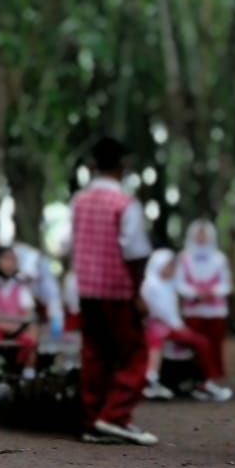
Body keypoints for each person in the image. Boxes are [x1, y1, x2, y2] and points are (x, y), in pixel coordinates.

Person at [70, 136, 156, 446]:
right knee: (133, 354)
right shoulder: (125, 203)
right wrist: (137, 290)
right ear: (123, 167)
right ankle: (115, 416)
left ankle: (93, 419)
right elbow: (135, 251)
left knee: (95, 354)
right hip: (117, 292)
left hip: (87, 290)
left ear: (93, 166)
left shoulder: (79, 200)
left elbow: (72, 246)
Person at [142, 249, 233, 403]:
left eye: (172, 265)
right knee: (201, 342)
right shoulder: (151, 285)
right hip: (161, 327)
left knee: (198, 343)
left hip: (169, 326)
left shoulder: (168, 285)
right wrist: (179, 327)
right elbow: (160, 312)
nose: (171, 269)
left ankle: (201, 382)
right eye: (168, 265)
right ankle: (203, 384)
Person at [175, 220, 233, 389]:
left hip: (215, 311)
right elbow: (179, 282)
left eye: (204, 233)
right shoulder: (184, 257)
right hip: (192, 310)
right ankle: (192, 376)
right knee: (192, 344)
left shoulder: (220, 258)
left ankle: (211, 377)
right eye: (198, 233)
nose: (201, 237)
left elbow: (226, 284)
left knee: (214, 344)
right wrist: (194, 293)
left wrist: (212, 292)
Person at [0, 245, 39, 369]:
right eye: (4, 258)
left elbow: (28, 312)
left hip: (16, 331)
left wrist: (19, 327)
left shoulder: (20, 286)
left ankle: (27, 375)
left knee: (31, 341)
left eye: (12, 259)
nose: (9, 263)